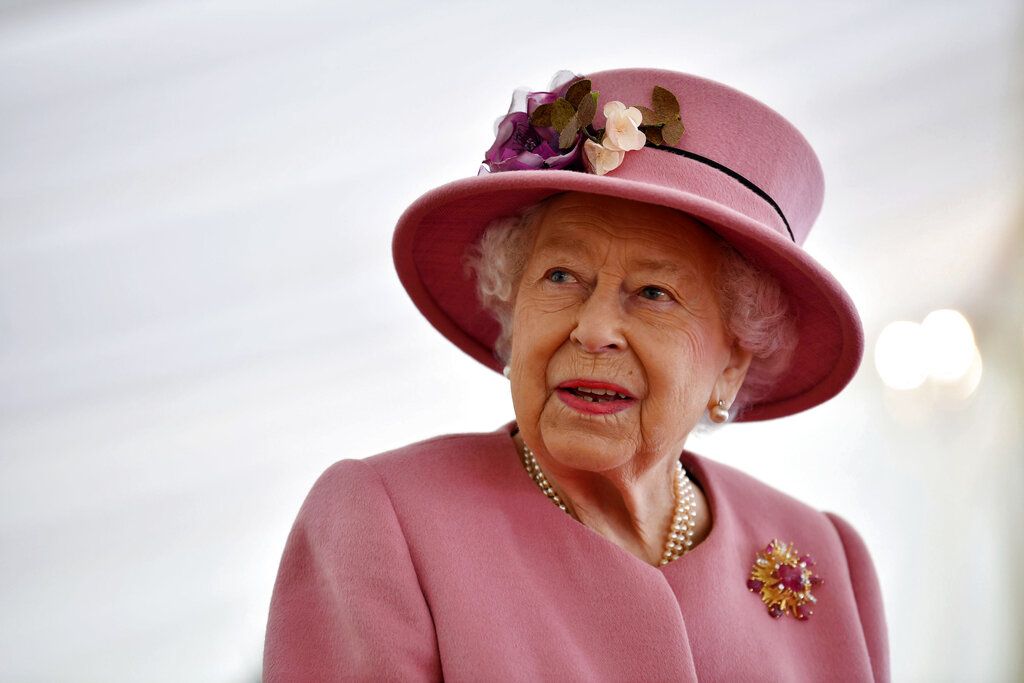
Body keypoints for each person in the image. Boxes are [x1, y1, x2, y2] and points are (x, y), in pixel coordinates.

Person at [262, 68, 889, 681]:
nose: (593, 329)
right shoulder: (387, 520)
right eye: (561, 277)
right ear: (511, 311)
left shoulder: (826, 556)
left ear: (732, 363)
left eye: (653, 292)